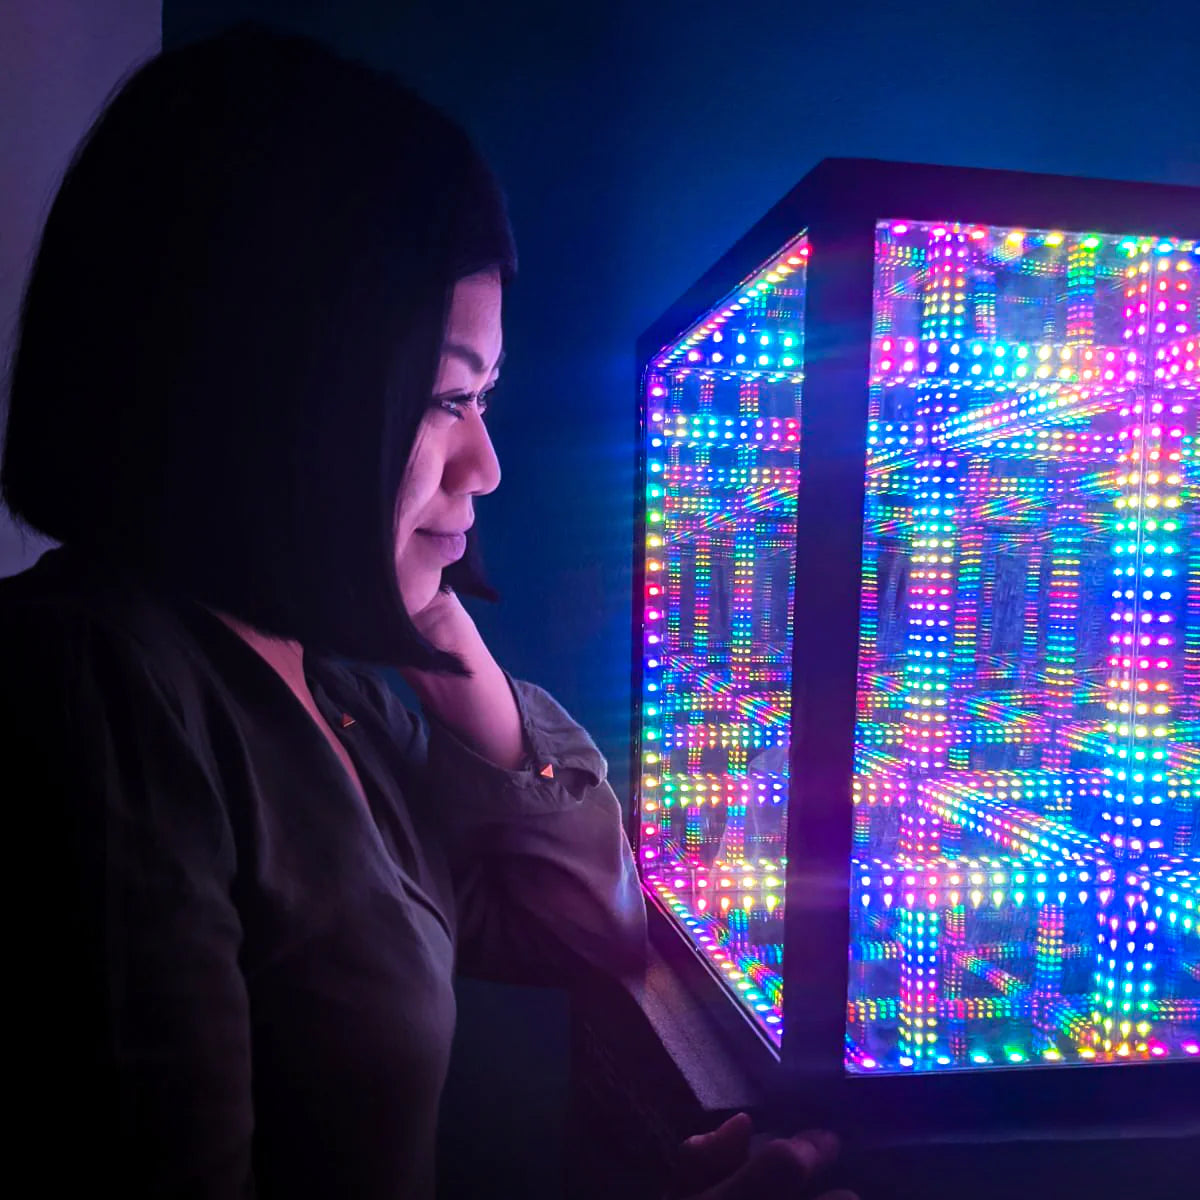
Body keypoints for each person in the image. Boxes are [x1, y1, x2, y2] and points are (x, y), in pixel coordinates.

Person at [1, 24, 855, 1200]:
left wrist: (436, 621)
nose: (487, 465)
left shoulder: (334, 691)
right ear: (276, 386)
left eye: (487, 399)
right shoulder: (104, 696)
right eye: (449, 398)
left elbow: (595, 928)